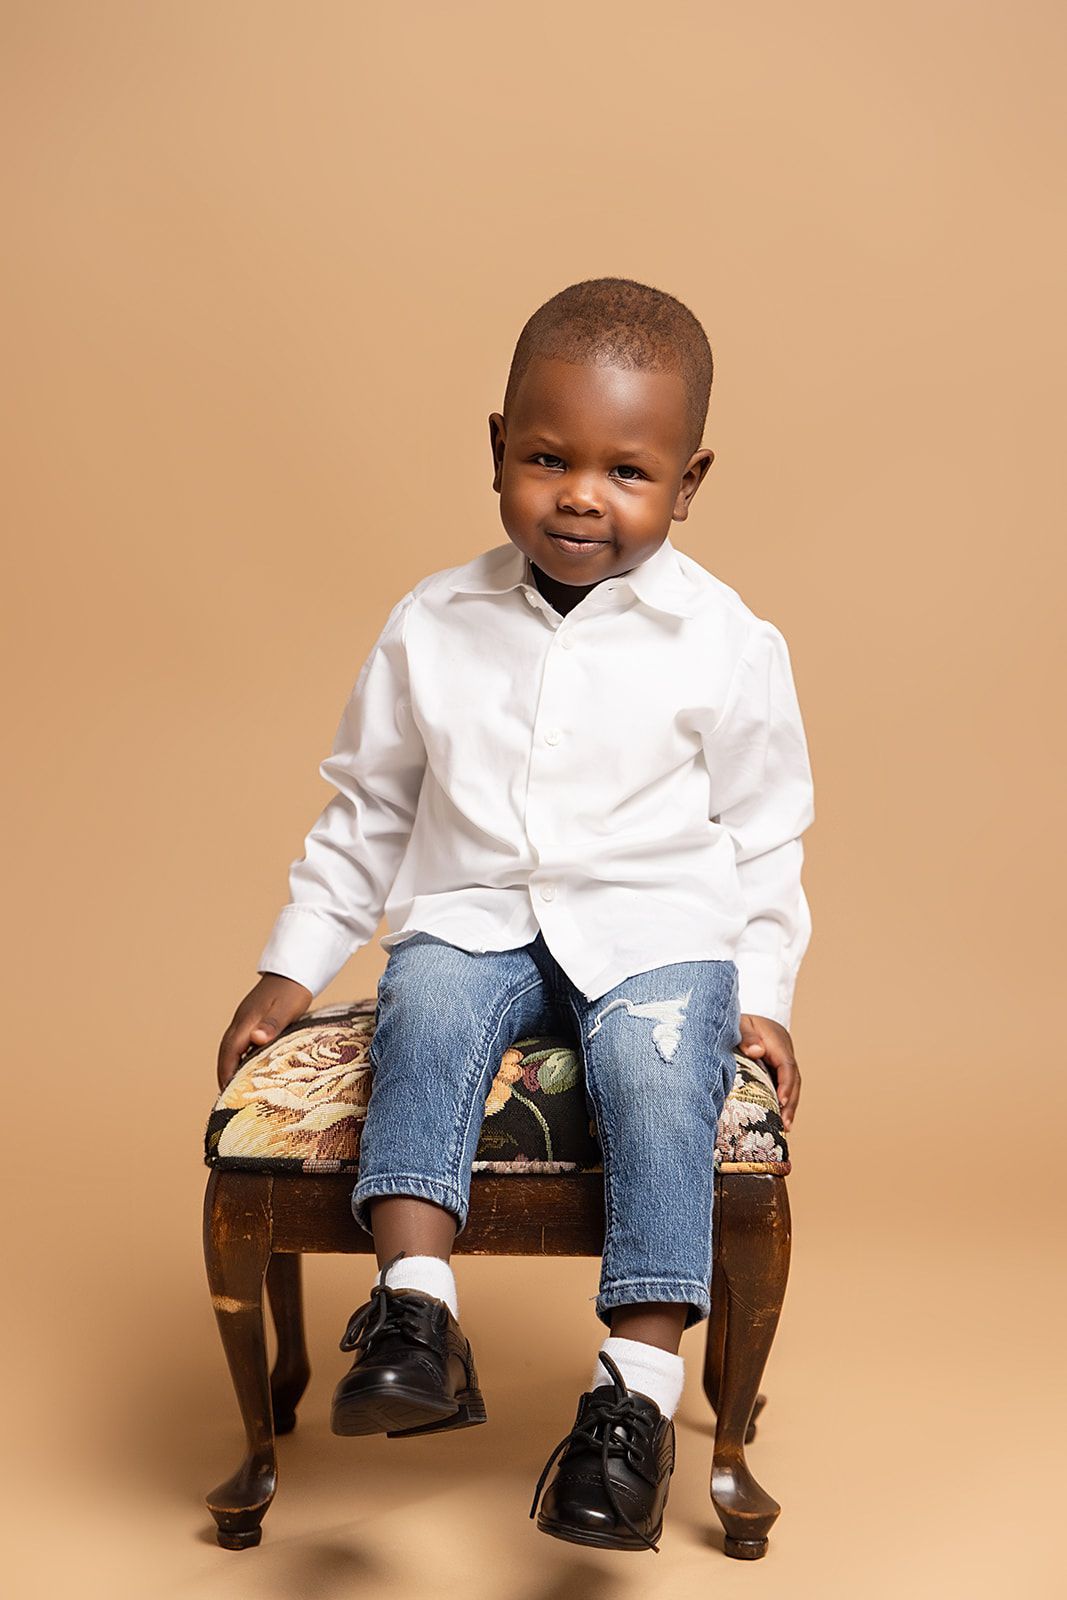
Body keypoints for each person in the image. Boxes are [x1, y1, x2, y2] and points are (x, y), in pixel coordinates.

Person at [216, 276, 815, 1554]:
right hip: (477, 916)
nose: (581, 495)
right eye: (546, 458)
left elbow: (765, 834)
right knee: (423, 1011)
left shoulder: (726, 641)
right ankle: (415, 1315)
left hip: (657, 933)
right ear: (496, 447)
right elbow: (369, 809)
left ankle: (632, 1407)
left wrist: (760, 991)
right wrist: (289, 965)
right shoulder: (431, 623)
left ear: (688, 481)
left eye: (626, 471)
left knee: (659, 1083)